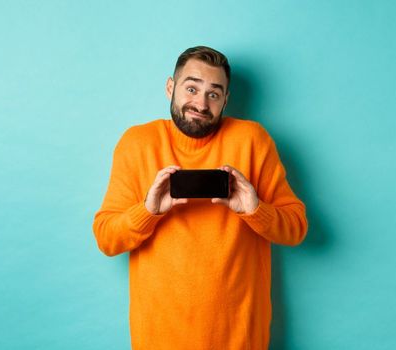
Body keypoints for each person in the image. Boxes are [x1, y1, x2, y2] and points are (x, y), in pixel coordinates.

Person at [92, 46, 308, 349]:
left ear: (226, 100)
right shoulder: (137, 144)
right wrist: (148, 211)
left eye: (214, 94)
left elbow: (297, 227)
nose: (201, 104)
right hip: (160, 337)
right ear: (171, 87)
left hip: (239, 335)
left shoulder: (252, 141)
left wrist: (255, 210)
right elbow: (106, 238)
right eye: (191, 88)